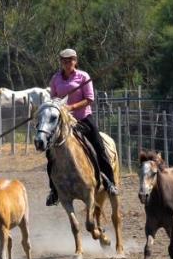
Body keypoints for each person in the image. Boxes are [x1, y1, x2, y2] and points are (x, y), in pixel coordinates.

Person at [45, 48, 118, 206]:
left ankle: (110, 183)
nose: (67, 63)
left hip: (83, 119)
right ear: (61, 62)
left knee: (98, 147)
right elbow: (53, 98)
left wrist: (71, 107)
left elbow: (89, 99)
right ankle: (54, 190)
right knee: (50, 152)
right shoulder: (56, 78)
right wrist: (56, 108)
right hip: (63, 121)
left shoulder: (83, 76)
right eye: (64, 61)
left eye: (70, 60)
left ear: (75, 61)